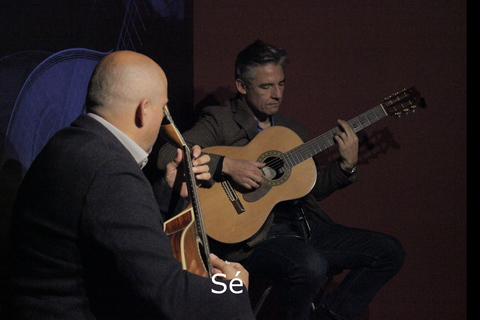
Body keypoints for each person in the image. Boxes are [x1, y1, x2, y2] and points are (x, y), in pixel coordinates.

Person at [157, 40, 406, 320]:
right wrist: (227, 165)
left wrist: (345, 166)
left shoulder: (292, 130)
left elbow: (307, 190)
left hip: (303, 228)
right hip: (252, 238)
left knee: (389, 251)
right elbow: (170, 153)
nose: (277, 94)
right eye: (266, 87)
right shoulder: (221, 121)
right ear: (242, 86)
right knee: (311, 264)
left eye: (281, 84)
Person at [1, 50, 255, 320]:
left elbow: (109, 232)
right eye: (163, 109)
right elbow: (168, 295)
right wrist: (232, 289)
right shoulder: (109, 168)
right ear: (144, 110)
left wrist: (166, 190)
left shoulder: (70, 143)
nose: (164, 121)